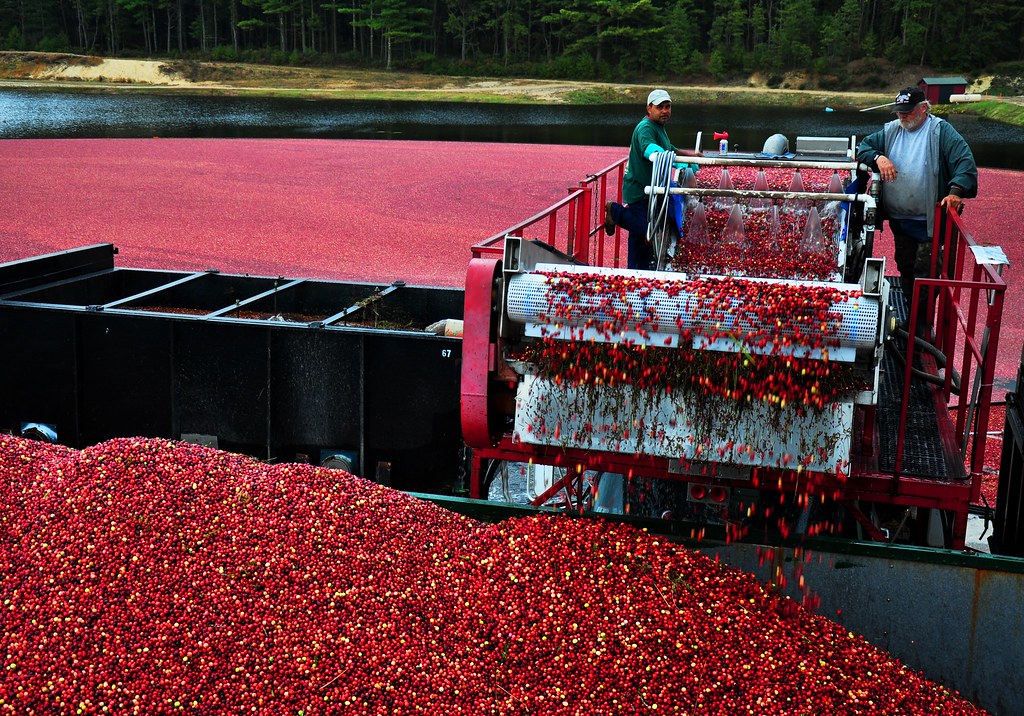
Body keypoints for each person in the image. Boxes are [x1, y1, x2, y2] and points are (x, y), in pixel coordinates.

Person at [857, 87, 978, 330]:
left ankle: (919, 325)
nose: (901, 117)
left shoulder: (940, 131)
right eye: (898, 112)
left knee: (925, 273)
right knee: (905, 267)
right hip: (901, 221)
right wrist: (879, 158)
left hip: (928, 223)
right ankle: (913, 319)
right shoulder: (891, 131)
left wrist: (955, 192)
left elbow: (964, 163)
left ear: (923, 108)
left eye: (907, 112)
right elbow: (864, 148)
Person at [604, 89, 702, 270]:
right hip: (640, 189)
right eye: (660, 107)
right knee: (649, 230)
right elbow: (648, 148)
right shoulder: (646, 128)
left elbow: (668, 147)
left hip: (653, 188)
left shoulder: (659, 127)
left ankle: (637, 272)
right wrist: (666, 159)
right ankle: (615, 211)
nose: (665, 111)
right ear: (649, 108)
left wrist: (689, 158)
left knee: (640, 238)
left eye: (668, 107)